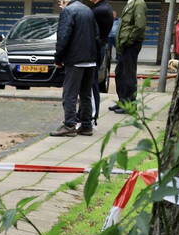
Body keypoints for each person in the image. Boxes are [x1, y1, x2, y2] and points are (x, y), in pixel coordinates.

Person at [51, 0, 100, 137]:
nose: (61, 4)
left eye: (61, 1)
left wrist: (58, 58)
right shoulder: (88, 10)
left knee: (70, 94)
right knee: (85, 94)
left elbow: (63, 36)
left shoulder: (69, 11)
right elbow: (97, 36)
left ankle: (69, 125)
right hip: (90, 60)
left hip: (75, 60)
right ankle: (86, 125)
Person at [112, 0, 147, 114]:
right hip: (124, 45)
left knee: (128, 74)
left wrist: (129, 40)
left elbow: (140, 26)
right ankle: (122, 101)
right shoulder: (130, 3)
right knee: (120, 73)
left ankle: (130, 105)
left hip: (130, 45)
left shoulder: (139, 3)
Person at [87, 0, 115, 128]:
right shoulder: (104, 7)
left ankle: (92, 116)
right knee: (91, 83)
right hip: (99, 48)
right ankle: (89, 115)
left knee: (92, 84)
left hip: (96, 50)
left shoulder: (99, 10)